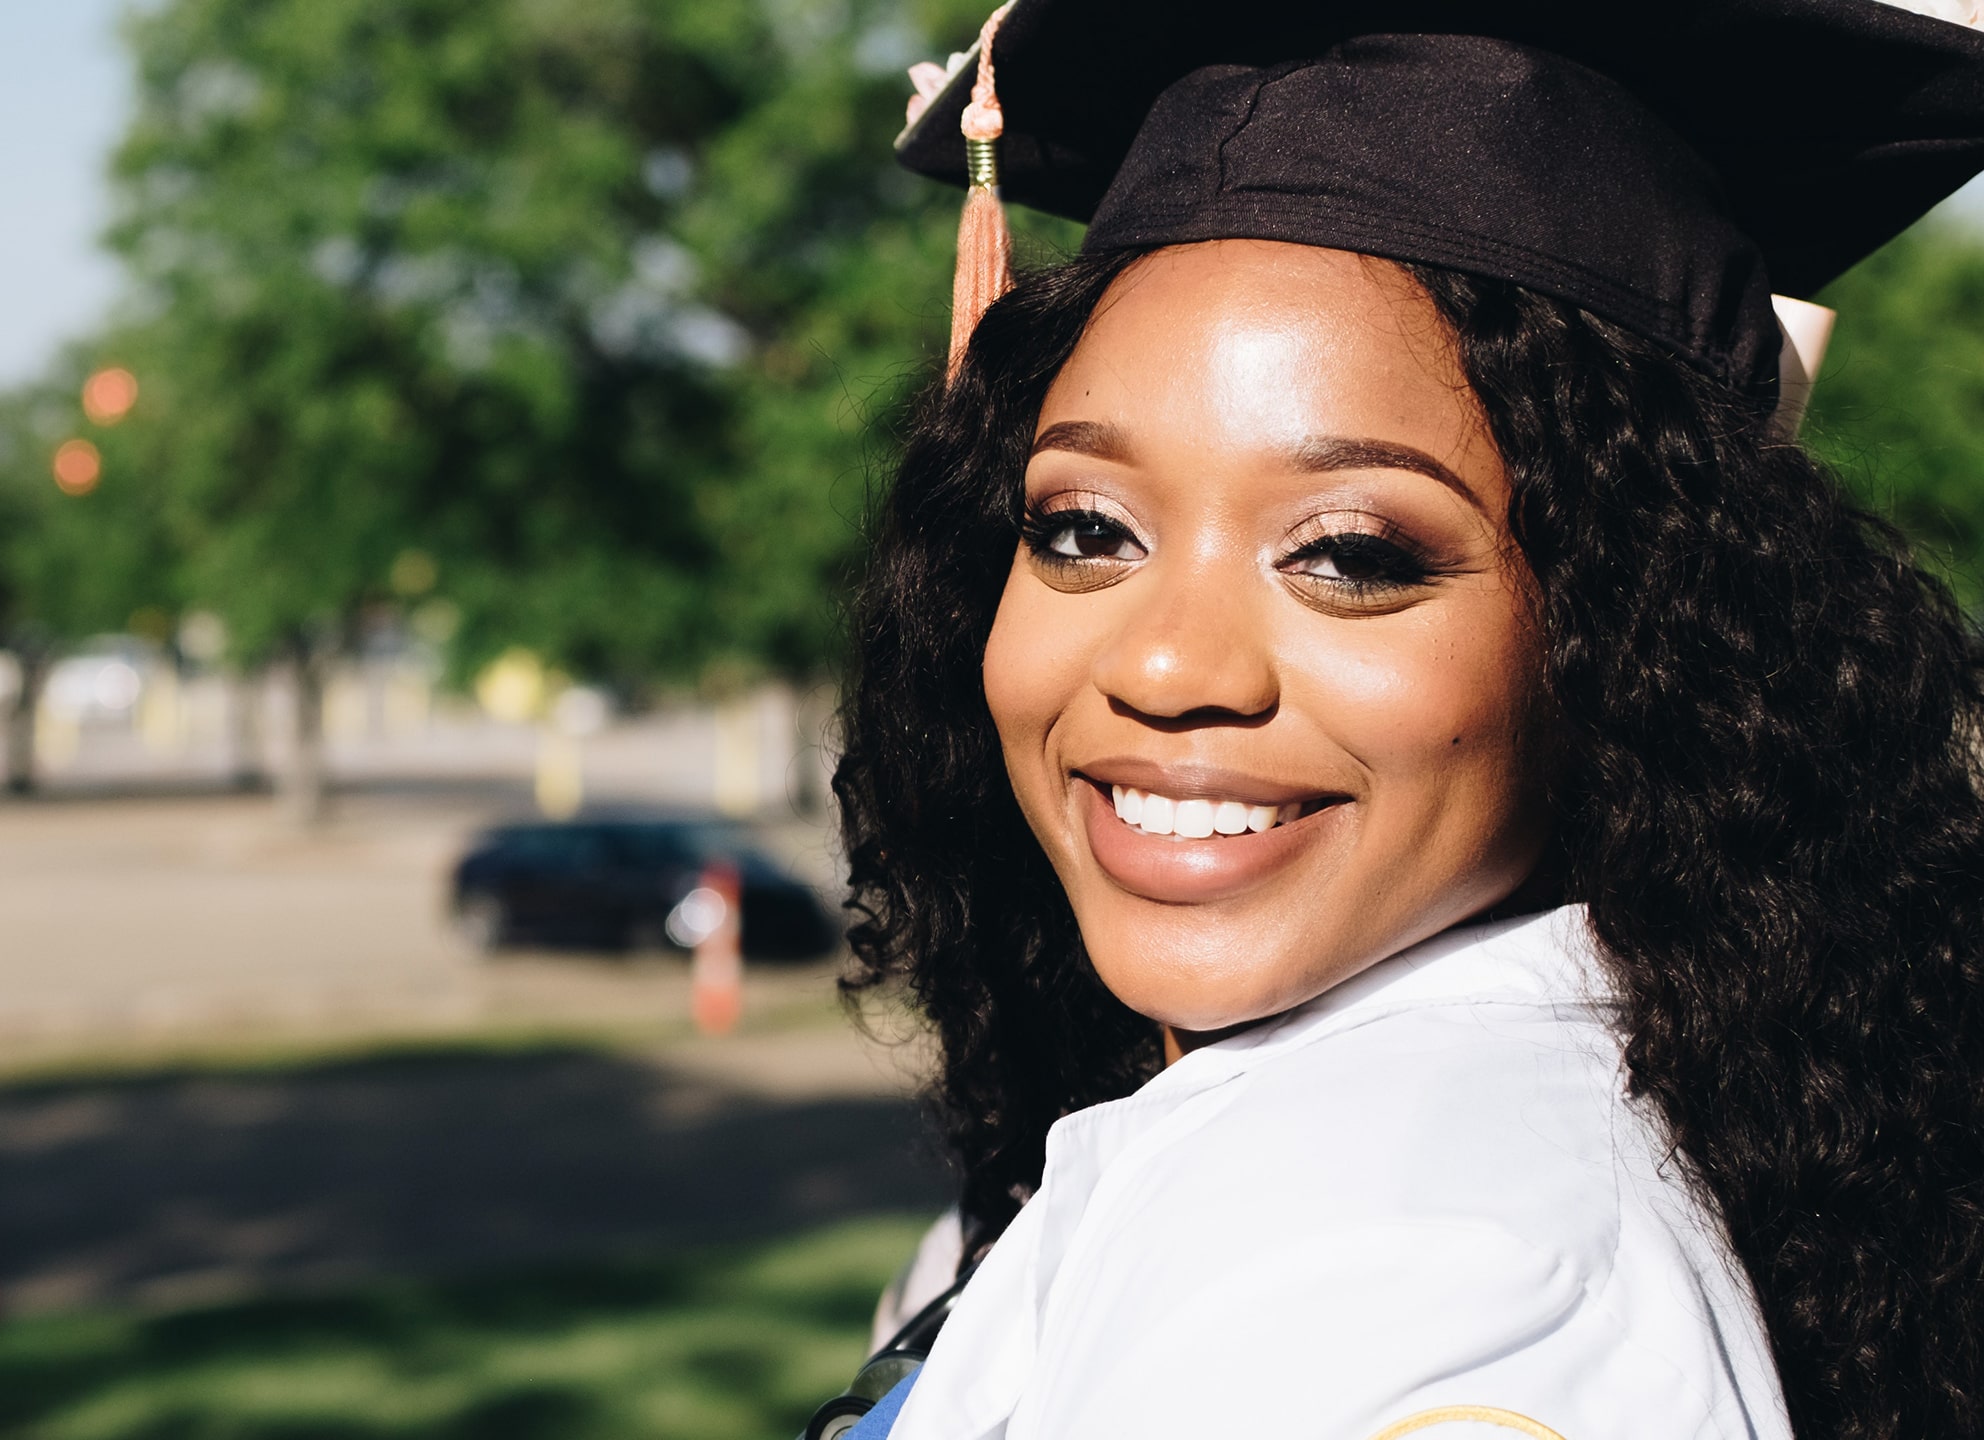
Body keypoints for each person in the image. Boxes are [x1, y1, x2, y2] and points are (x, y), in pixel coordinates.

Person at [823, 3, 1984, 1438]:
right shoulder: (1206, 1130)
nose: (1172, 663)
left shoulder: (1416, 1263)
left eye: (1352, 554)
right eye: (1083, 528)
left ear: (1626, 641)